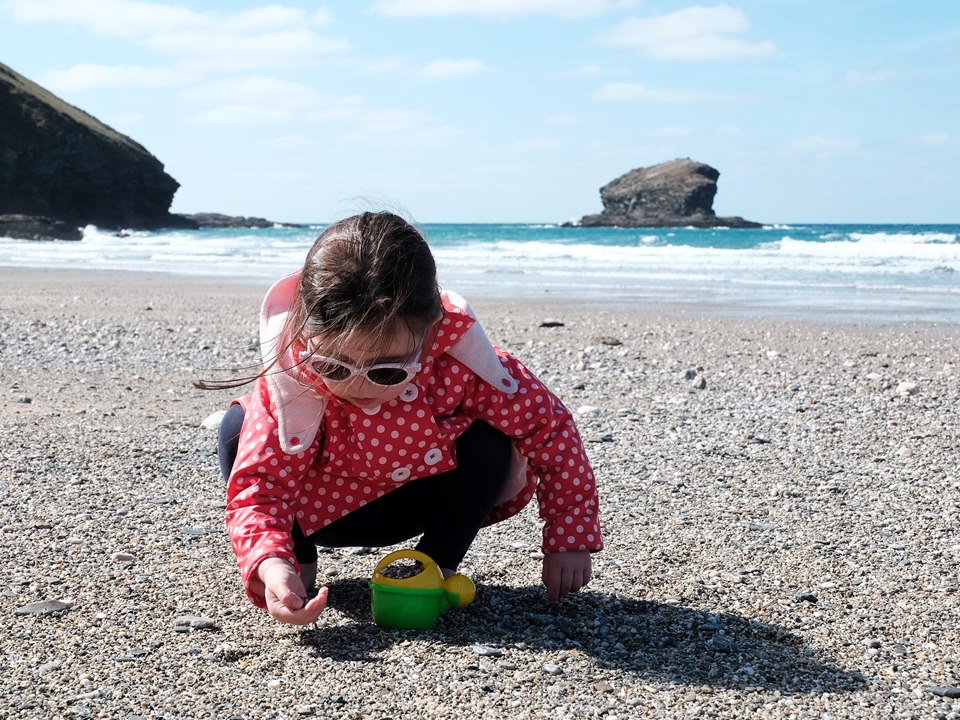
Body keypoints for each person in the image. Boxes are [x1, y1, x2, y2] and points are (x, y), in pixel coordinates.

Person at [207, 211, 603, 626]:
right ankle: (297, 560)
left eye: (387, 372)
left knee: (491, 437)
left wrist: (569, 537)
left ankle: (435, 564)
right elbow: (260, 485)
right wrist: (271, 563)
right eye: (335, 367)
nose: (360, 386)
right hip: (311, 512)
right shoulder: (293, 379)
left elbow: (550, 428)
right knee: (239, 428)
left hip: (417, 502)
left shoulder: (463, 365)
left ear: (430, 332)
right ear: (306, 330)